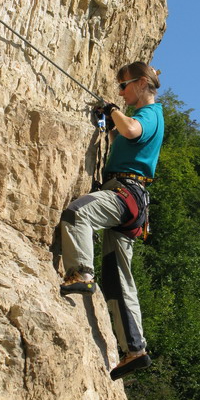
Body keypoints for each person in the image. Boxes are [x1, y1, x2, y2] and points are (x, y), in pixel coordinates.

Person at [60, 62, 164, 380]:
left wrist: (115, 110)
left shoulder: (149, 114)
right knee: (120, 281)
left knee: (77, 213)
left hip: (124, 192)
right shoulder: (148, 117)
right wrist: (109, 120)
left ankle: (81, 272)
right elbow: (125, 133)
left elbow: (132, 129)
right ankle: (135, 349)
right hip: (135, 204)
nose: (121, 91)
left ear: (142, 83)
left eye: (124, 85)